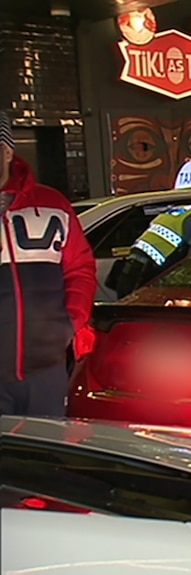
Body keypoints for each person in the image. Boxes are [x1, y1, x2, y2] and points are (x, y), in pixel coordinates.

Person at [0, 111, 97, 416]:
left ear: (5, 152)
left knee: (44, 458)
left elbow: (80, 270)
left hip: (46, 372)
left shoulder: (52, 204)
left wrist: (70, 323)